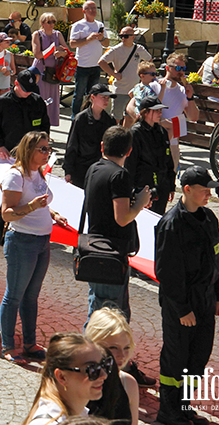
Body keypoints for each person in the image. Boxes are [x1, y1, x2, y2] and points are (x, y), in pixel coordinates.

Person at [153, 166, 219, 425]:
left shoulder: (209, 218)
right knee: (176, 359)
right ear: (187, 190)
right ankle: (168, 412)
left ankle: (184, 406)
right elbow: (166, 273)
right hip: (181, 305)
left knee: (198, 357)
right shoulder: (172, 224)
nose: (209, 195)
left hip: (205, 300)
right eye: (204, 190)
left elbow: (218, 259)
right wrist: (183, 309)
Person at [0, 131, 66, 364]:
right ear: (30, 150)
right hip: (22, 242)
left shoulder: (38, 173)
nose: (48, 153)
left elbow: (41, 202)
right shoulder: (15, 177)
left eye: (48, 148)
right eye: (43, 149)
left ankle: (29, 343)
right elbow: (6, 213)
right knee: (14, 296)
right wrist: (30, 207)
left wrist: (53, 214)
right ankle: (8, 346)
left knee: (31, 296)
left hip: (41, 241)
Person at [83, 126, 150, 323]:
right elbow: (122, 218)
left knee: (98, 308)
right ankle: (96, 354)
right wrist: (140, 203)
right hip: (111, 254)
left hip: (94, 248)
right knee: (108, 318)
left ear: (102, 146)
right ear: (129, 151)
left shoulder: (94, 168)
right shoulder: (120, 176)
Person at [20, 333, 111, 425]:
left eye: (104, 365)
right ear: (62, 377)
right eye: (92, 369)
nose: (104, 375)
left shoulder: (78, 414)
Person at [85, 308, 140, 425]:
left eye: (126, 348)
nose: (122, 355)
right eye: (113, 348)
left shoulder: (128, 383)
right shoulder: (79, 382)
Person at [122, 96, 175, 215]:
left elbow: (168, 159)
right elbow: (130, 163)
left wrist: (171, 185)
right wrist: (132, 189)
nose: (160, 113)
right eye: (156, 110)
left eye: (160, 110)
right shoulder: (135, 133)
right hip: (144, 185)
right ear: (145, 112)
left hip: (162, 185)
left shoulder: (162, 132)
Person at [0, 70, 51, 161]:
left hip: (32, 152)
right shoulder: (2, 102)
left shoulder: (37, 101)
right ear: (16, 83)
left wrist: (43, 145)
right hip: (9, 153)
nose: (28, 92)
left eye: (30, 89)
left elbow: (45, 125)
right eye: (25, 89)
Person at [150, 52, 199, 171]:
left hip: (173, 143)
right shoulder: (155, 86)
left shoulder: (182, 90)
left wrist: (190, 97)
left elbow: (193, 117)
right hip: (154, 140)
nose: (181, 72)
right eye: (177, 68)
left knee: (171, 177)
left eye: (183, 68)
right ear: (167, 68)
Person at [64, 84, 117, 189]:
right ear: (93, 97)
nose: (106, 101)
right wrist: (68, 170)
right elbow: (72, 145)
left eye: (108, 98)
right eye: (103, 97)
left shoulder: (109, 121)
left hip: (100, 169)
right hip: (81, 169)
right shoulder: (80, 119)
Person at [98, 27, 151, 122]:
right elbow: (101, 62)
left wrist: (143, 75)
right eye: (121, 36)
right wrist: (114, 74)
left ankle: (125, 135)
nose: (123, 38)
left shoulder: (139, 49)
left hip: (135, 90)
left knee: (130, 117)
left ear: (133, 37)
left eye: (126, 36)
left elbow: (149, 61)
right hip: (120, 90)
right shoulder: (115, 50)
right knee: (116, 117)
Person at [69, 1, 109, 115]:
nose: (92, 10)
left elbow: (106, 43)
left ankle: (90, 115)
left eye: (94, 8)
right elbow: (72, 44)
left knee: (93, 95)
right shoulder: (78, 25)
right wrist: (88, 39)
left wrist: (101, 38)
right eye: (89, 8)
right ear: (84, 11)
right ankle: (75, 117)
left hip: (96, 65)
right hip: (82, 65)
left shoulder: (99, 25)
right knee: (79, 94)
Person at [30, 13, 68, 127]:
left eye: (53, 22)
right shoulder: (37, 35)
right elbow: (37, 54)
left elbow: (66, 51)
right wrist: (52, 50)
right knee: (40, 98)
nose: (52, 24)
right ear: (42, 23)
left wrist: (61, 53)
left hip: (53, 71)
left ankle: (48, 128)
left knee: (52, 100)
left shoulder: (58, 34)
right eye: (49, 22)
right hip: (41, 70)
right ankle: (37, 127)